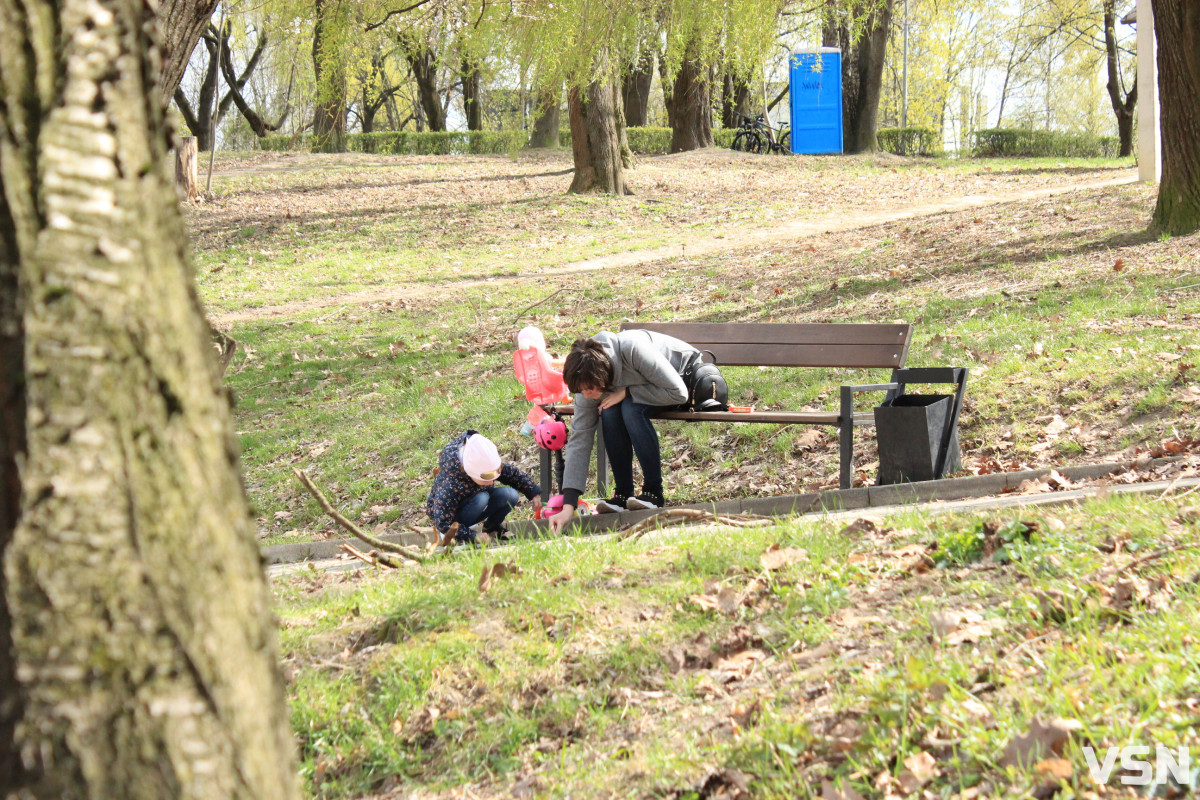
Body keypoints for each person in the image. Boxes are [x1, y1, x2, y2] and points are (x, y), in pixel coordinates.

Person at [547, 330, 698, 534]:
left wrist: (626, 392)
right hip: (645, 391)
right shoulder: (587, 384)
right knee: (609, 411)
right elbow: (580, 437)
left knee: (630, 409)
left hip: (683, 375)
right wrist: (568, 506)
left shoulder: (632, 350)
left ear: (601, 377)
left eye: (589, 390)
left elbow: (678, 392)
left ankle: (653, 492)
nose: (586, 396)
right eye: (580, 391)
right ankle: (623, 494)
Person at [427, 430, 542, 544]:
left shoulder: (484, 461)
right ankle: (461, 537)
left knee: (510, 495)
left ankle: (492, 527)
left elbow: (512, 474)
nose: (491, 482)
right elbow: (442, 522)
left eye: (494, 476)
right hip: (455, 518)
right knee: (481, 498)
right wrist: (472, 535)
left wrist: (533, 493)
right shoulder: (450, 480)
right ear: (471, 472)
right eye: (486, 478)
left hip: (477, 505)